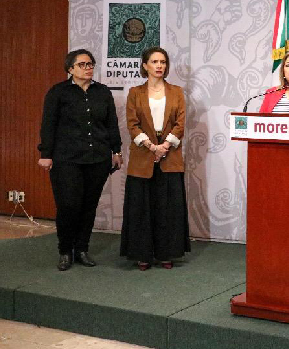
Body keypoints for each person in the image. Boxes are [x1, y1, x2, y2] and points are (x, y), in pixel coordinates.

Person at [38, 49, 123, 271]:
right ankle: (65, 250)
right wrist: (45, 154)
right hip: (66, 159)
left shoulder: (103, 92)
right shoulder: (58, 93)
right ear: (70, 69)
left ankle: (82, 249)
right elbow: (48, 125)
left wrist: (116, 151)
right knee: (68, 205)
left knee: (88, 205)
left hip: (97, 159)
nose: (88, 68)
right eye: (83, 64)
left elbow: (111, 124)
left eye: (90, 64)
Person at [120, 47, 190, 271]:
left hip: (170, 156)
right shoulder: (135, 93)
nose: (159, 66)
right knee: (141, 208)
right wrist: (151, 147)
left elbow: (180, 123)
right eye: (154, 62)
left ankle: (167, 253)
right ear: (145, 65)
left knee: (168, 207)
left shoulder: (177, 91)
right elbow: (132, 124)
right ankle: (142, 254)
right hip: (143, 157)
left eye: (163, 62)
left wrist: (165, 146)